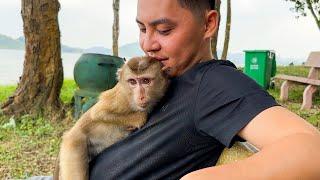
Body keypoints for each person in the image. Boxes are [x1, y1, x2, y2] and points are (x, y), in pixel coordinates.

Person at [29, 0, 320, 179]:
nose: (148, 44)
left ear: (208, 24)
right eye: (143, 29)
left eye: (164, 30)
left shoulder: (213, 83)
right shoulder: (162, 73)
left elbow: (311, 150)